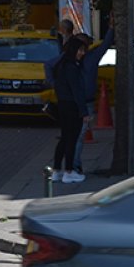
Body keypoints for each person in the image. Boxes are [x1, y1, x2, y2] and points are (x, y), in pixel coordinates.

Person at [71, 18, 114, 173]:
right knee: (77, 136)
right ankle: (73, 166)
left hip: (81, 102)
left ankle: (73, 165)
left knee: (78, 136)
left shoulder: (89, 58)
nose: (82, 50)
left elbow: (105, 46)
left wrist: (110, 28)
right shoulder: (71, 61)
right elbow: (105, 45)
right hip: (77, 102)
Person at [50, 36, 90, 184]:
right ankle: (69, 171)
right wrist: (84, 112)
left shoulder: (60, 65)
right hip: (72, 106)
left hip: (63, 104)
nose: (82, 53)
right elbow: (77, 91)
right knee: (72, 139)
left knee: (64, 138)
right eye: (80, 50)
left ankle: (56, 170)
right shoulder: (72, 68)